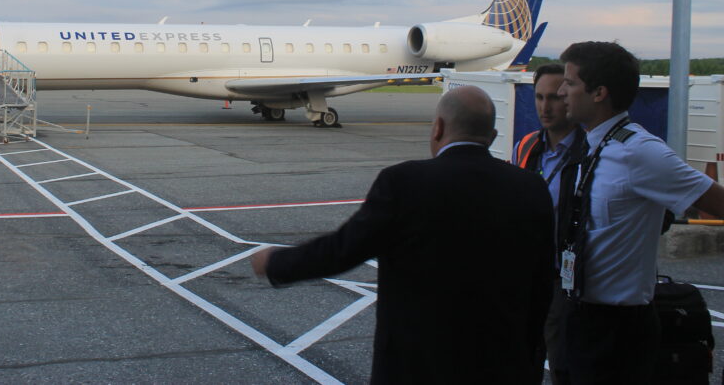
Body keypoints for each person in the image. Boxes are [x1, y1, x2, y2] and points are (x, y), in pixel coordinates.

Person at [251, 85, 554, 384]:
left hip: (417, 365)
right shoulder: (530, 187)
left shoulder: (404, 182)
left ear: (437, 128)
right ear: (492, 137)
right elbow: (542, 286)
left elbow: (344, 249)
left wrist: (277, 263)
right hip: (503, 366)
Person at [555, 41, 724, 384]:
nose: (561, 92)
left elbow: (714, 199)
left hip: (620, 327)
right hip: (579, 313)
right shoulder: (592, 144)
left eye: (570, 83)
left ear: (599, 92)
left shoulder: (641, 152)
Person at [514, 63, 587, 384]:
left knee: (562, 363)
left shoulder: (592, 151)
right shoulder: (527, 146)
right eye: (539, 97)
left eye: (555, 98)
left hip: (567, 281)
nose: (545, 106)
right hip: (528, 275)